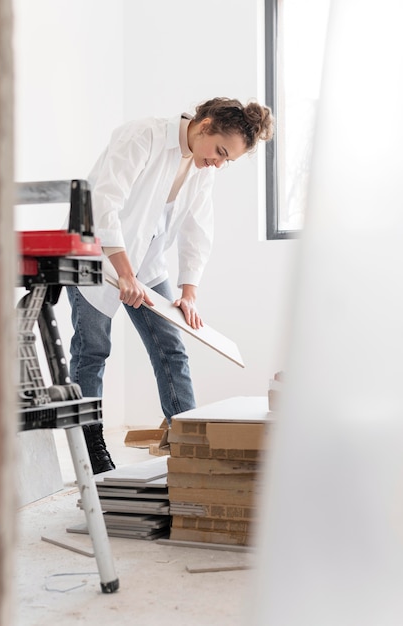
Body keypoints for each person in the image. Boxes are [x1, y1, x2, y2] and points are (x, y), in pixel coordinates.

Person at [67, 97, 274, 473]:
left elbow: (198, 227)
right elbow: (104, 203)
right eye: (221, 151)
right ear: (205, 124)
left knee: (171, 348)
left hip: (146, 264)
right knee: (93, 352)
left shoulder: (202, 168)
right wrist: (124, 272)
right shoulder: (142, 136)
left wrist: (189, 291)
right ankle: (90, 447)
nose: (218, 163)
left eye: (228, 160)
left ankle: (189, 439)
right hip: (97, 258)